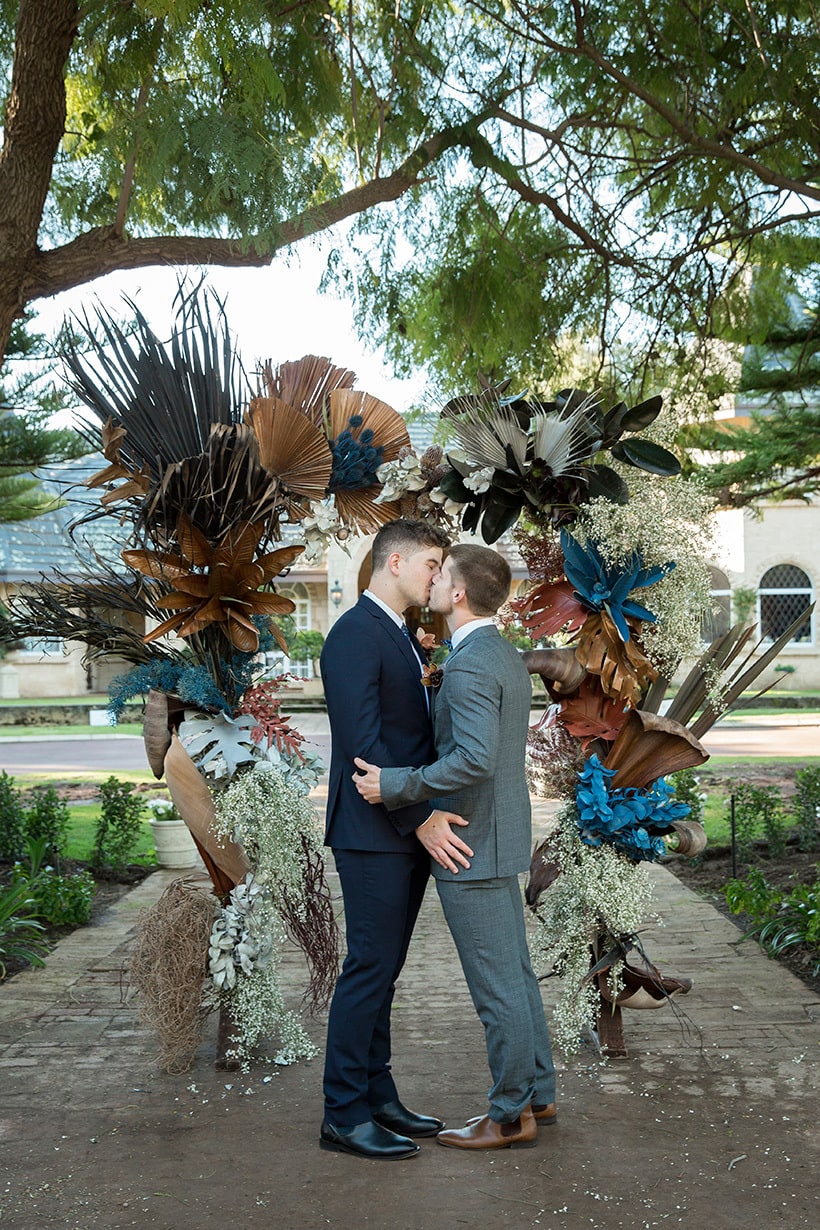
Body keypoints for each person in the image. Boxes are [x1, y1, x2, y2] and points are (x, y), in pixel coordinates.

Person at [353, 543, 556, 1151]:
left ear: (460, 592)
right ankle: (537, 1096)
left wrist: (397, 785)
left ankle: (508, 1113)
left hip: (471, 841)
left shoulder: (469, 664)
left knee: (497, 990)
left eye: (441, 575)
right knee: (515, 978)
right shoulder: (499, 653)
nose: (432, 582)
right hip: (497, 836)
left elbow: (474, 758)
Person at [319, 517, 456, 1161]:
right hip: (374, 833)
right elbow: (362, 745)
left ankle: (378, 1094)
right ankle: (342, 1113)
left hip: (400, 830)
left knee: (386, 972)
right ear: (395, 561)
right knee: (368, 969)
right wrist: (420, 818)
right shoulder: (353, 633)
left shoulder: (400, 633)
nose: (438, 576)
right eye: (432, 563)